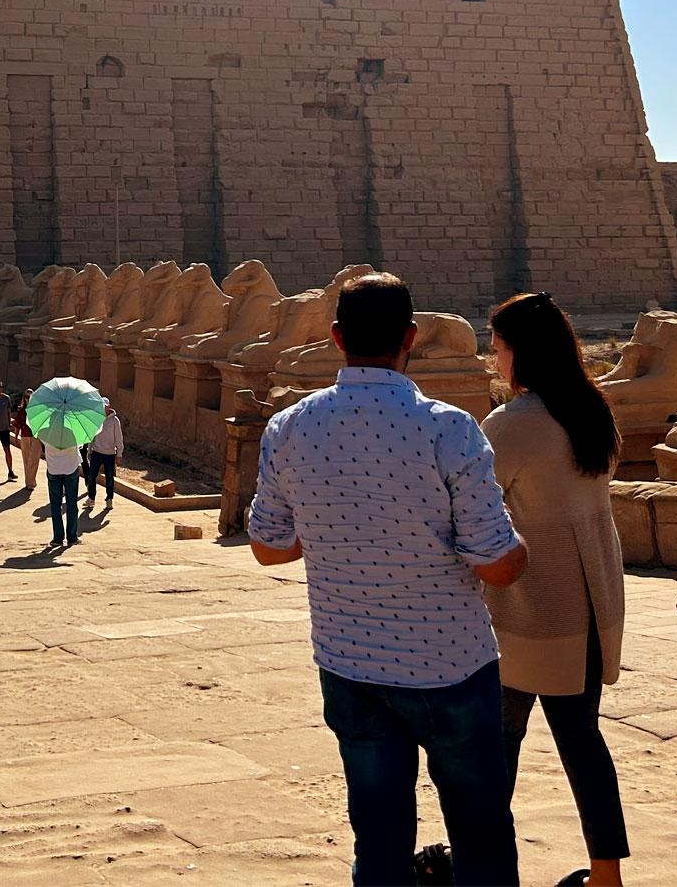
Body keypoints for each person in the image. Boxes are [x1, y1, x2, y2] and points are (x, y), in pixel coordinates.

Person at [247, 273, 528, 887]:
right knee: (480, 834)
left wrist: (334, 533)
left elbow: (270, 549)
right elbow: (499, 565)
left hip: (350, 664)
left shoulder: (290, 428)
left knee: (377, 838)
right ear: (411, 337)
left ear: (336, 338)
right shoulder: (447, 429)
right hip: (450, 664)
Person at [484, 292, 630, 887]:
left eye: (496, 349)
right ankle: (606, 872)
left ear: (521, 352)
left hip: (533, 607)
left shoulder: (515, 424)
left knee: (495, 746)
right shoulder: (593, 409)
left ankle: (490, 864)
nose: (493, 361)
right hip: (593, 598)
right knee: (582, 741)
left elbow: (472, 505)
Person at [42, 433, 82, 546]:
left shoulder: (45, 433)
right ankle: (72, 536)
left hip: (53, 470)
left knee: (55, 505)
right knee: (72, 504)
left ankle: (58, 538)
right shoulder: (74, 433)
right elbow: (79, 446)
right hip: (71, 469)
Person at [86, 401, 123, 506]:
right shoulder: (96, 419)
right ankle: (91, 498)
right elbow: (92, 436)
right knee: (91, 476)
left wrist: (119, 453)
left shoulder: (115, 421)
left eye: (105, 407)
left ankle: (109, 499)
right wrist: (89, 450)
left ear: (109, 407)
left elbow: (119, 438)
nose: (103, 409)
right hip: (97, 452)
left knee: (109, 477)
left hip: (110, 454)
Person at [12, 389, 39, 488]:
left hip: (36, 437)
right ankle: (29, 482)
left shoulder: (38, 410)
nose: (28, 399)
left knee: (35, 460)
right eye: (27, 397)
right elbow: (18, 424)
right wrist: (15, 436)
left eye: (30, 397)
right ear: (24, 398)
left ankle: (31, 479)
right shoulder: (21, 410)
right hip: (25, 436)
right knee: (27, 460)